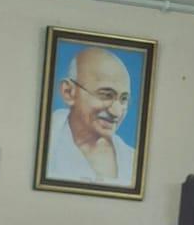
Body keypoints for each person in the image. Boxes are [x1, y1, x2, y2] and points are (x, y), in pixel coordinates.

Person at [44, 46, 136, 186]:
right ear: (68, 92)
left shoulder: (131, 160)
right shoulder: (46, 143)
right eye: (106, 95)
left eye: (124, 99)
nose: (117, 112)